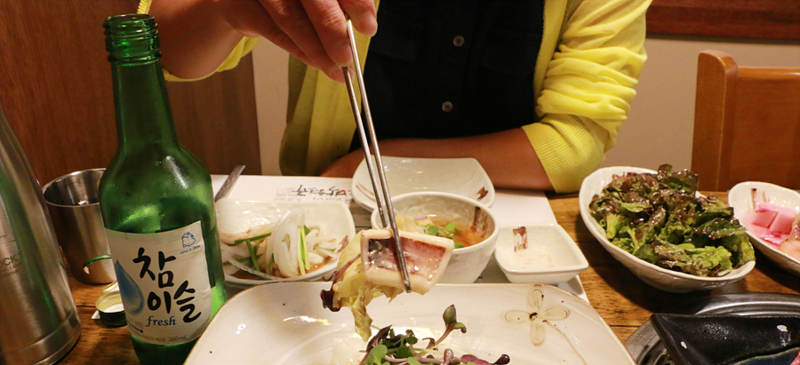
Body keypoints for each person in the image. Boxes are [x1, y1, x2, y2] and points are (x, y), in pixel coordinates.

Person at [139, 0, 651, 193]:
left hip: (513, 230)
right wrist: (228, 7)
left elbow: (573, 146)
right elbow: (166, 52)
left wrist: (370, 164)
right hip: (328, 220)